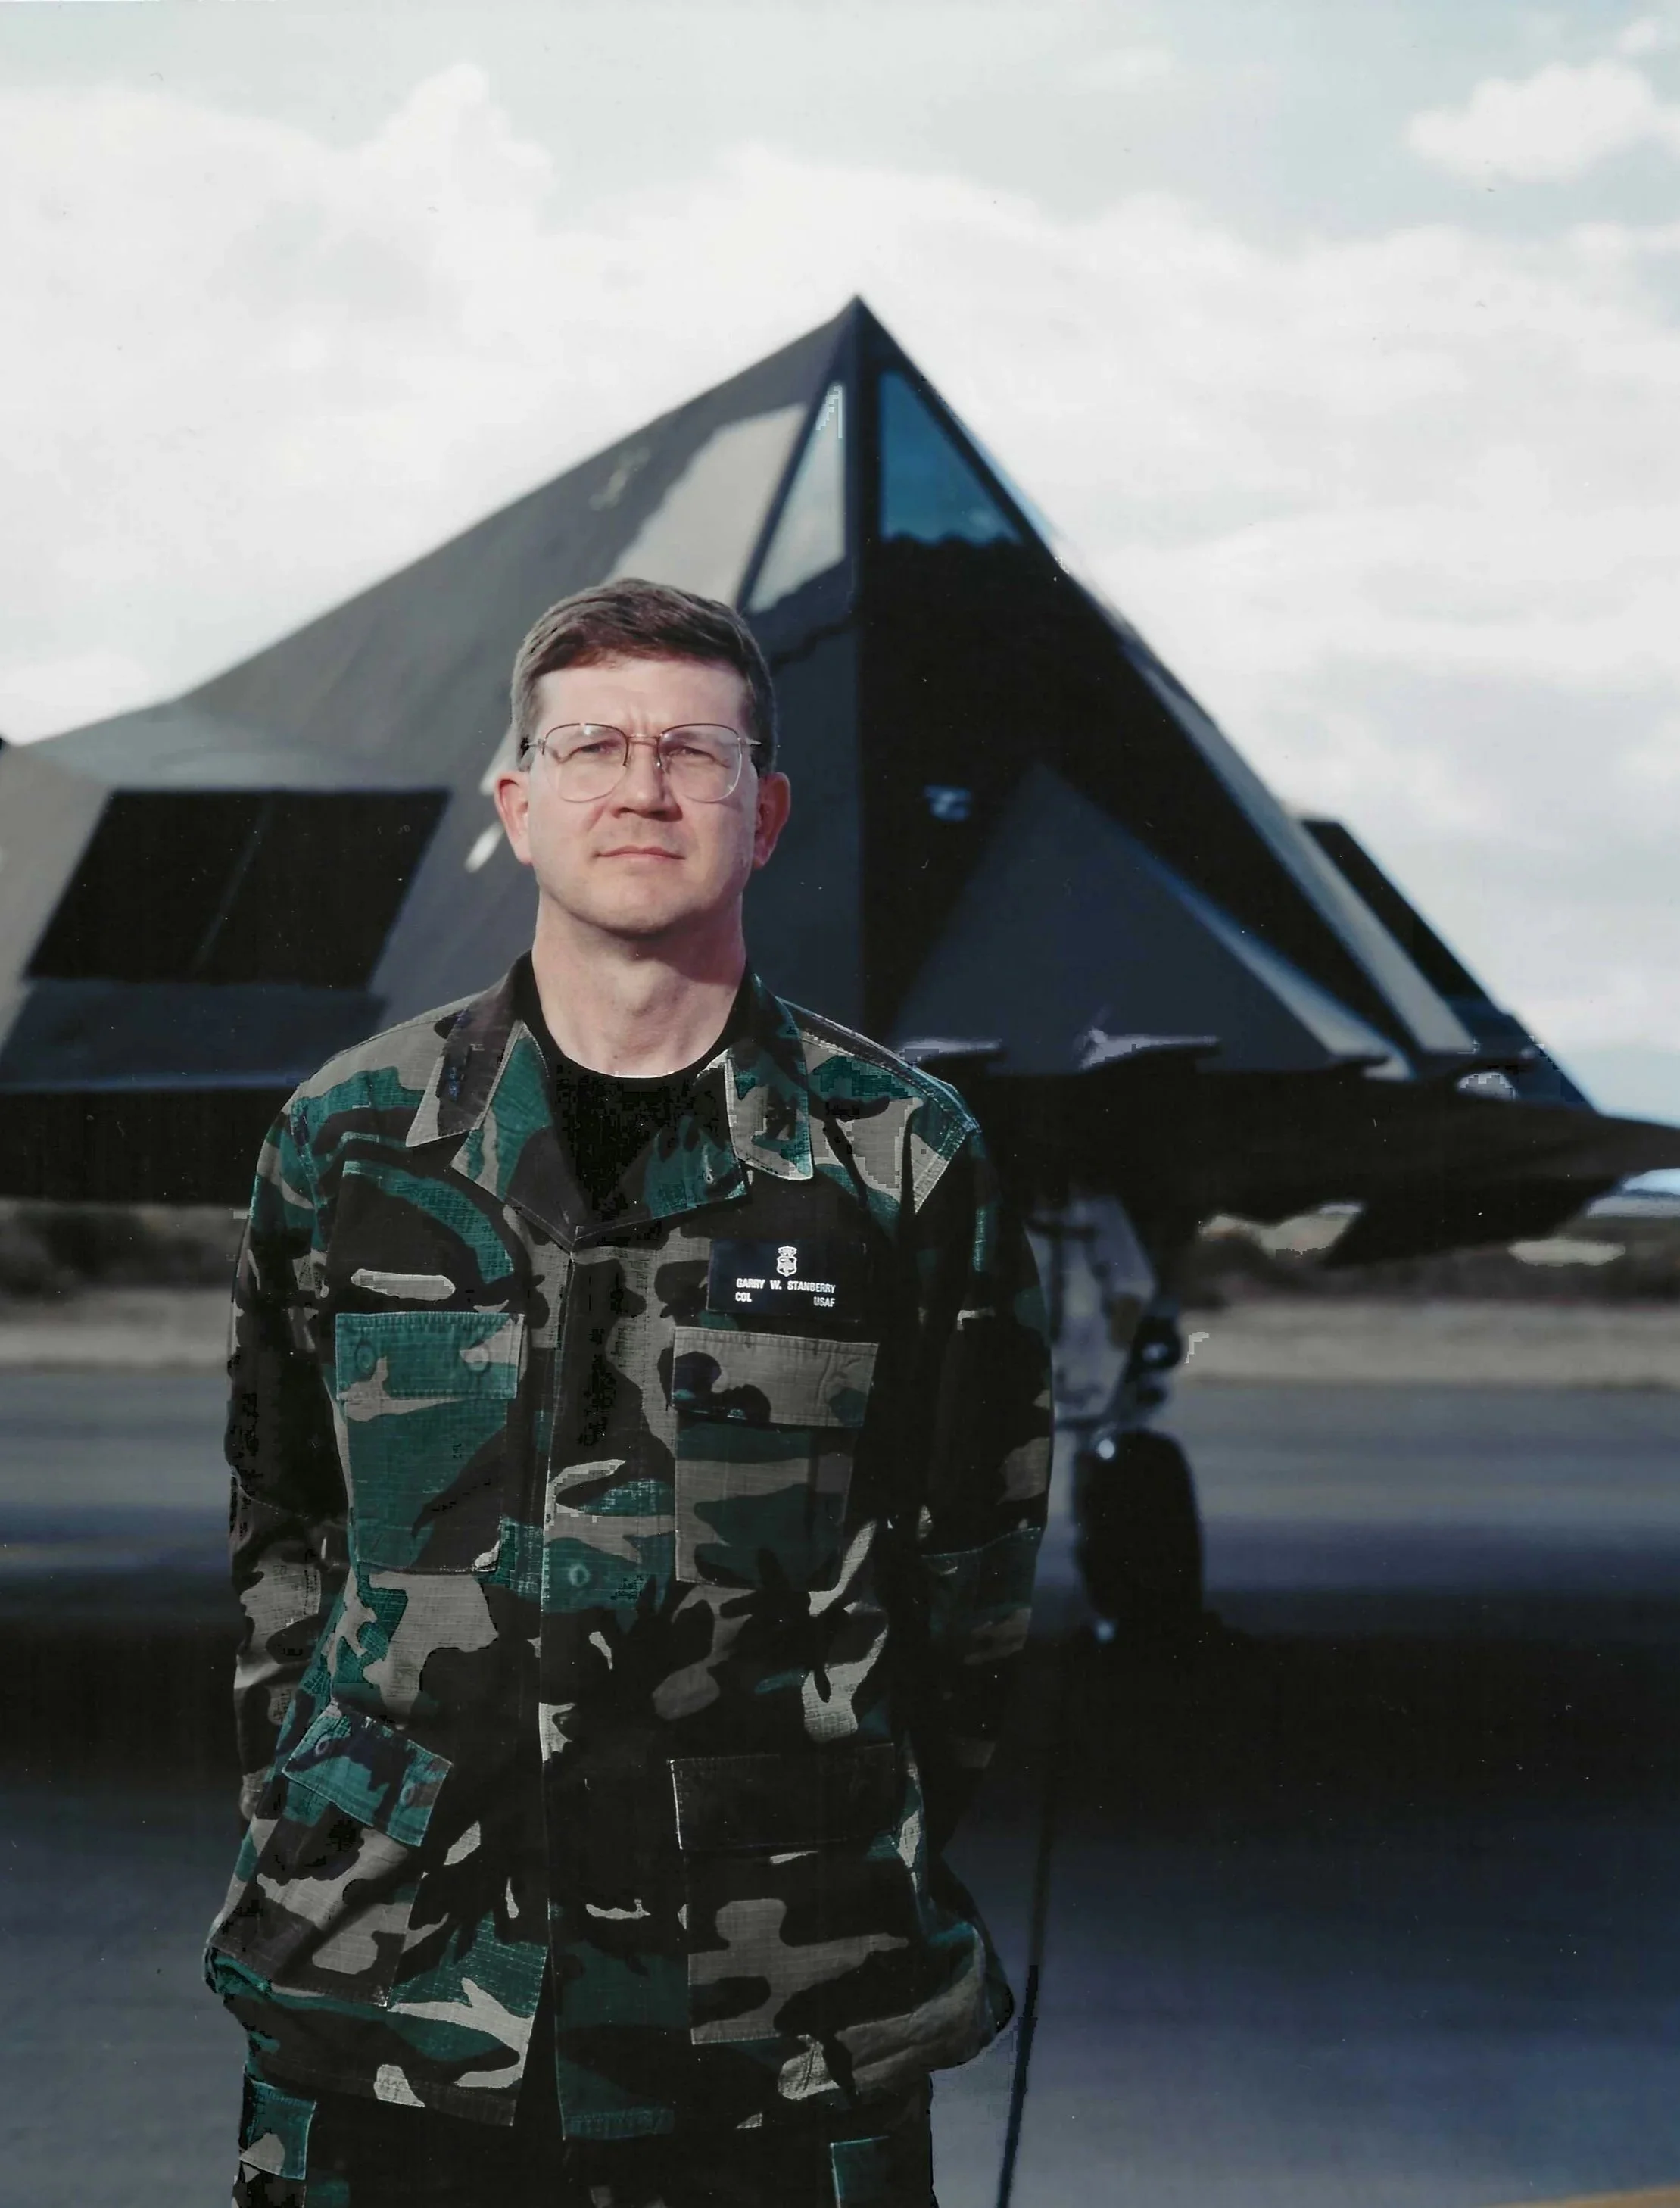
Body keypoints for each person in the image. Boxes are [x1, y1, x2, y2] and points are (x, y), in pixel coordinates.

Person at [206, 577, 1053, 2207]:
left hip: (779, 2014)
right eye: (591, 746)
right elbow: (282, 1535)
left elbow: (970, 1587)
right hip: (388, 1995)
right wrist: (330, 1825)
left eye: (696, 751)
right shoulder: (353, 1142)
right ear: (519, 806)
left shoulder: (898, 1157)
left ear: (768, 809)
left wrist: (817, 1829)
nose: (643, 787)